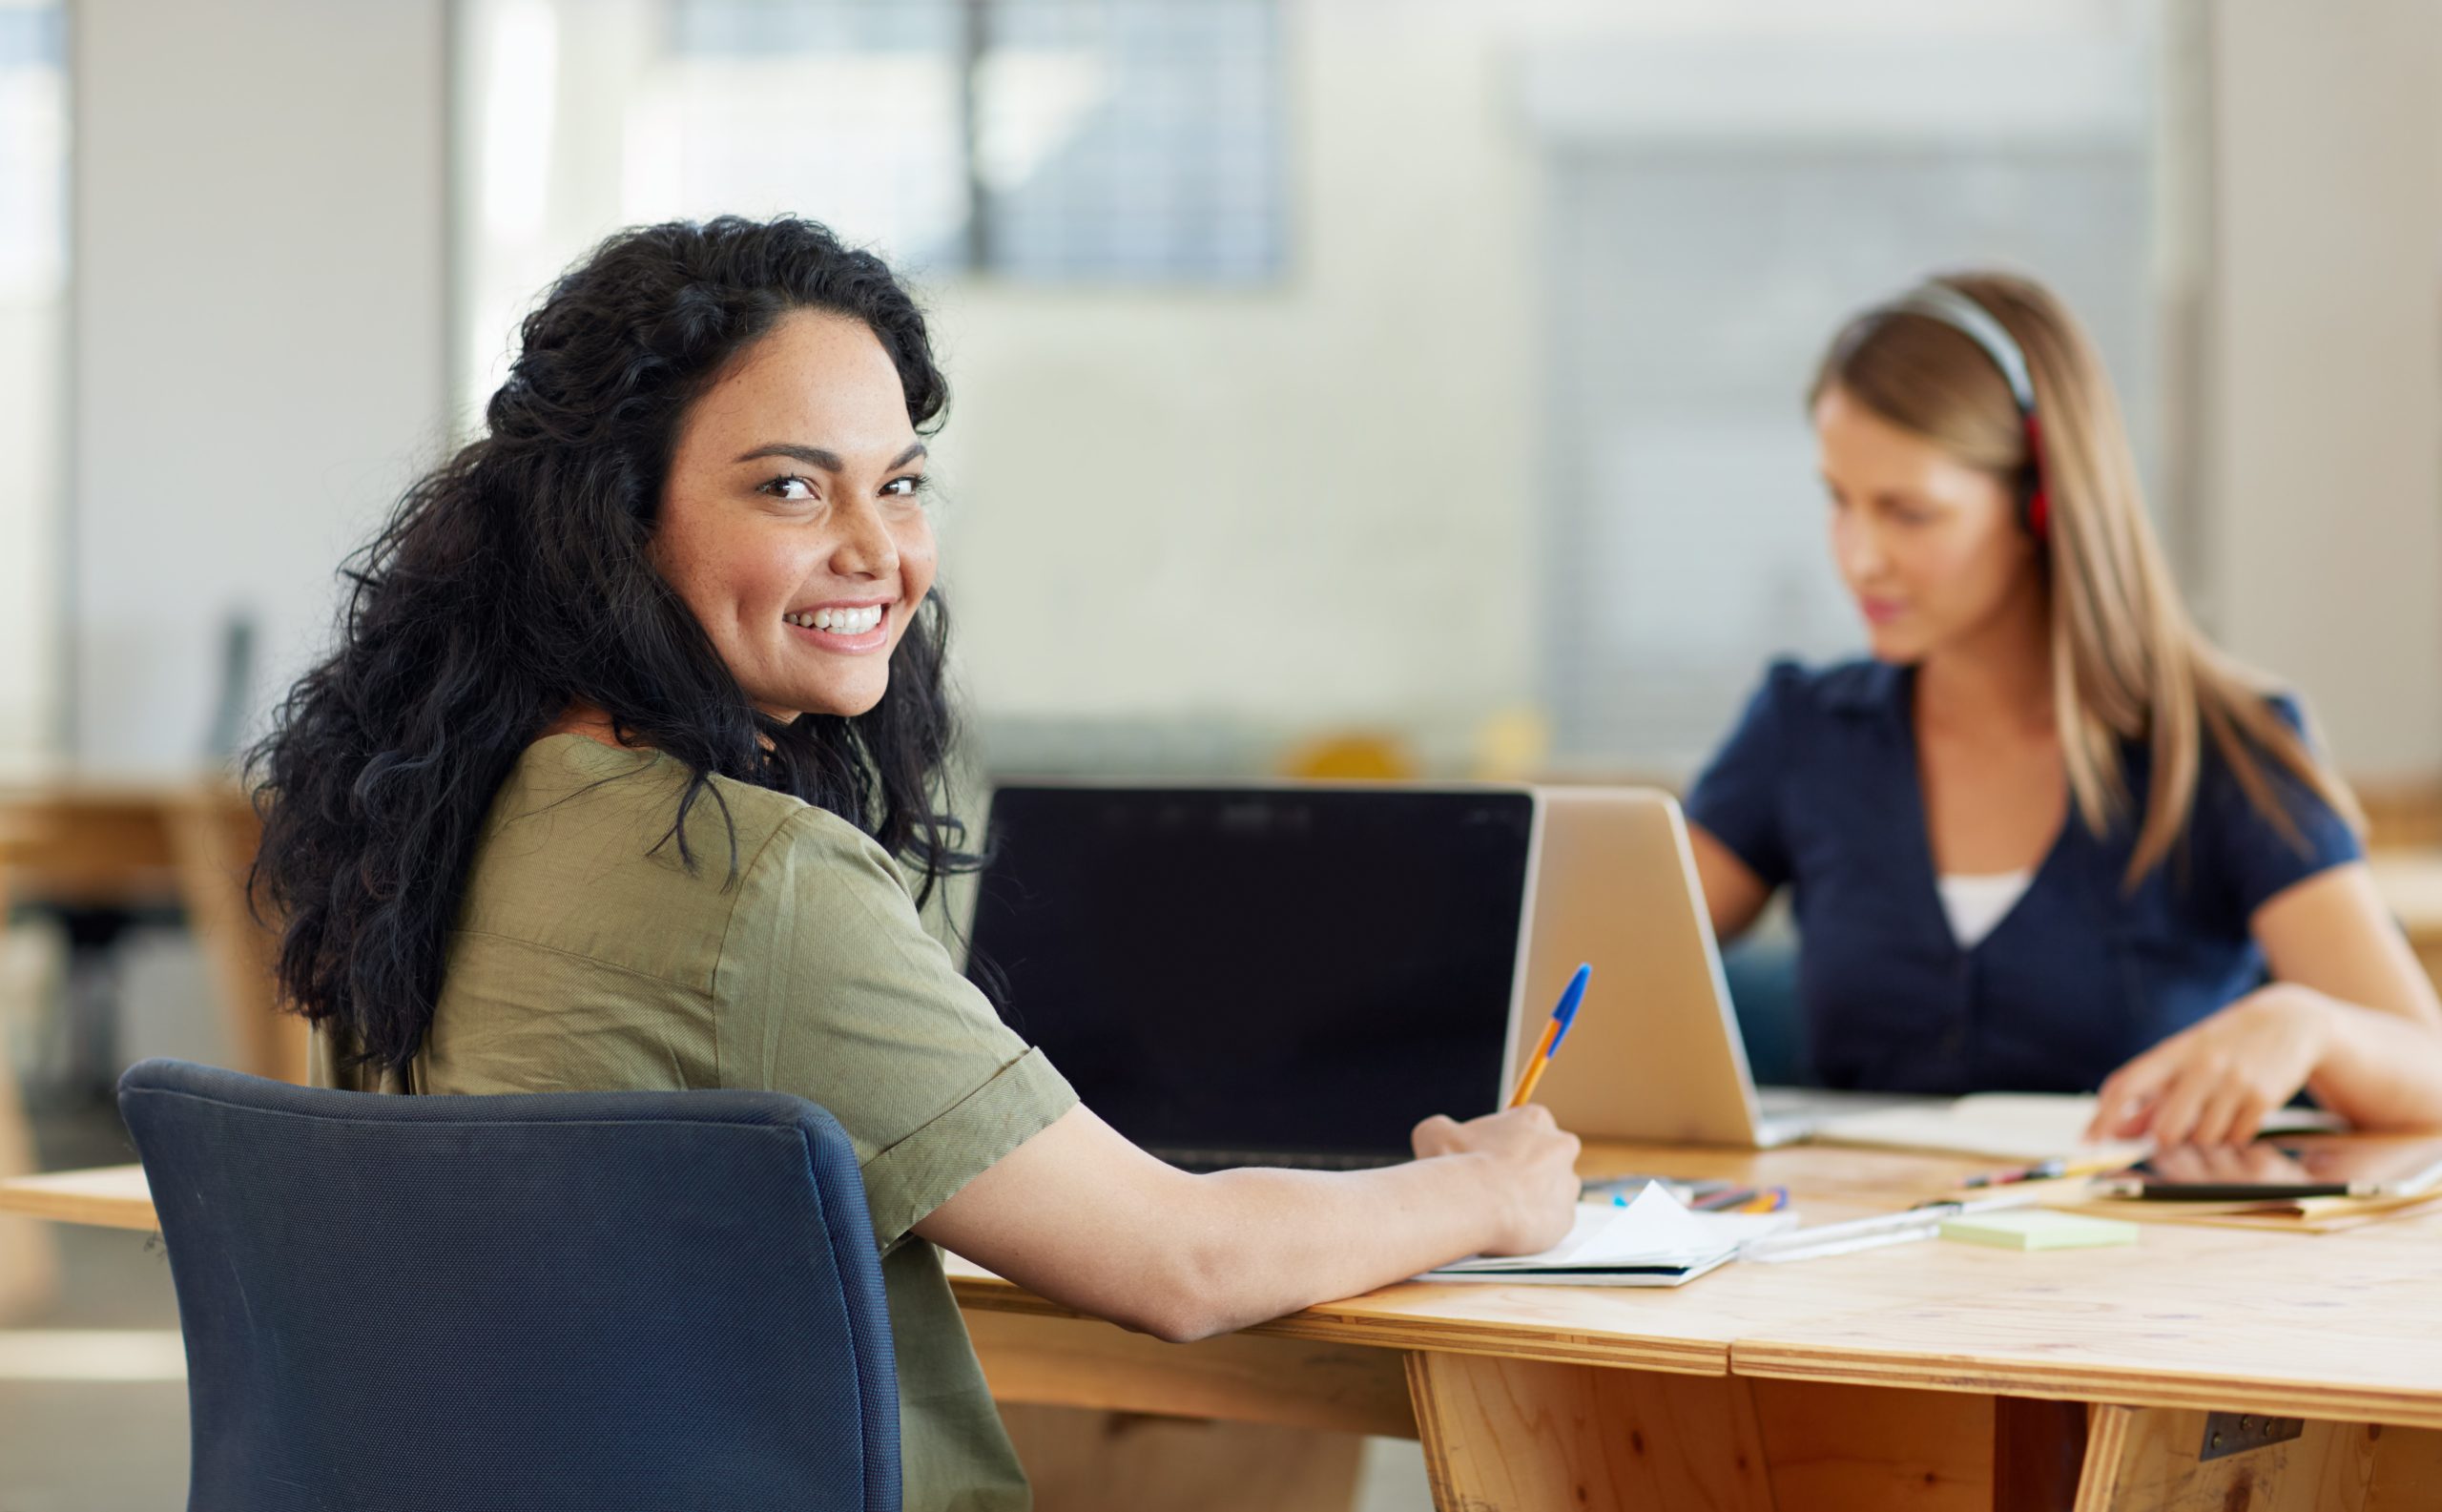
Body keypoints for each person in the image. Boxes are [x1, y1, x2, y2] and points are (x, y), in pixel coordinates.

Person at [248, 216, 1579, 1512]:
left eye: (897, 482)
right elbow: (1184, 1261)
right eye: (789, 485)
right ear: (611, 519)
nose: (879, 553)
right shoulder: (745, 876)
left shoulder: (431, 830)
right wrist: (1489, 1190)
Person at [1684, 271, 2442, 1148]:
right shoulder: (1801, 731)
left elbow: (2428, 1066)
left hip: (2143, 1270)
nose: (1859, 558)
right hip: (1851, 1263)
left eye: (1909, 513)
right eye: (1839, 500)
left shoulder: (2223, 749)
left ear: (2039, 501)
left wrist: (2313, 1024)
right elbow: (1595, 973)